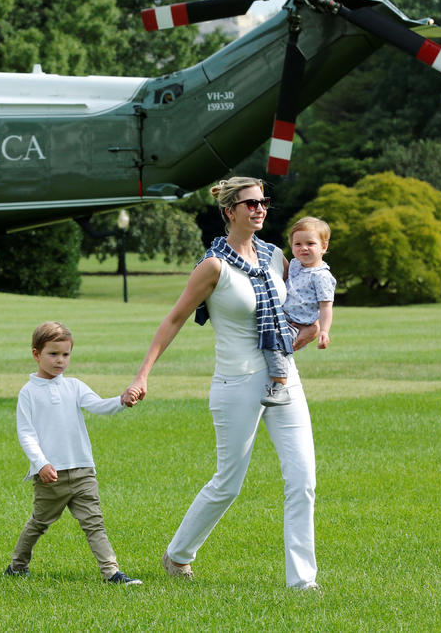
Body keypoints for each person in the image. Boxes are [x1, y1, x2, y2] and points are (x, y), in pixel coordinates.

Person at [123, 177, 322, 591]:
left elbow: (295, 305)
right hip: (237, 383)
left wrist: (311, 324)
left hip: (285, 378)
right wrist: (143, 374)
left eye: (264, 202)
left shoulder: (275, 257)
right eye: (250, 203)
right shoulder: (214, 266)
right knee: (228, 483)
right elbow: (175, 318)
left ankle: (303, 583)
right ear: (229, 210)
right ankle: (178, 556)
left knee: (302, 479)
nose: (260, 209)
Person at [5, 321, 142, 585]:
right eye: (53, 354)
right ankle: (17, 566)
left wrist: (121, 401)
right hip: (50, 476)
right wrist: (41, 463)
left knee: (94, 523)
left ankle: (111, 572)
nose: (60, 361)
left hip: (82, 471)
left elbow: (99, 406)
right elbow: (27, 434)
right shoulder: (29, 393)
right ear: (36, 354)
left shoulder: (75, 386)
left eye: (65, 354)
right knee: (38, 523)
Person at [260, 217, 336, 406]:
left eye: (310, 243)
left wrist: (324, 331)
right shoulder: (294, 264)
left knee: (275, 341)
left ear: (323, 247)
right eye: (298, 244)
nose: (303, 248)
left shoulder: (322, 276)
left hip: (298, 324)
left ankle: (279, 386)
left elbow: (326, 307)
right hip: (281, 317)